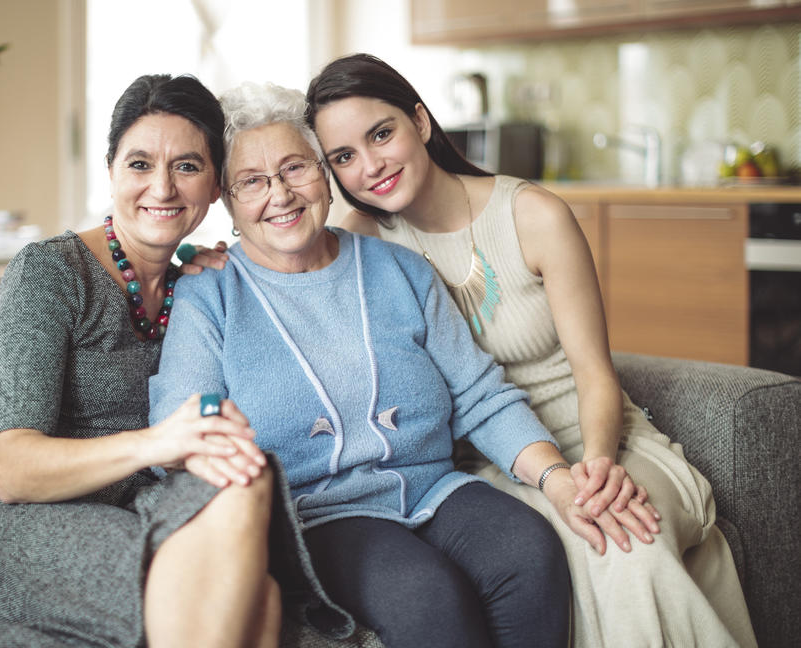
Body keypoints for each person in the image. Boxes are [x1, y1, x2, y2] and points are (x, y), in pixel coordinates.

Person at [305, 53, 757, 648]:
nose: (370, 167)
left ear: (421, 120)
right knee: (581, 548)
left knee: (622, 541)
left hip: (600, 439)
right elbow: (283, 267)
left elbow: (595, 372)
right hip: (483, 466)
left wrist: (598, 468)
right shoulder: (364, 242)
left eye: (381, 134)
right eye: (344, 157)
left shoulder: (533, 215)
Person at [0, 73, 345, 648]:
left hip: (129, 510)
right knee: (250, 600)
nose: (163, 187)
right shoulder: (50, 274)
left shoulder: (198, 286)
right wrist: (157, 442)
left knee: (248, 477)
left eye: (187, 166)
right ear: (110, 171)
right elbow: (12, 469)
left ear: (215, 189)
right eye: (139, 164)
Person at [148, 80, 581, 648]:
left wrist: (556, 476)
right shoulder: (211, 294)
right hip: (317, 517)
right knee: (427, 596)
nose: (279, 195)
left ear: (324, 173)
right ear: (228, 202)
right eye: (251, 182)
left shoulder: (399, 269)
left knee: (530, 547)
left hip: (433, 488)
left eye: (295, 168)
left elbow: (479, 395)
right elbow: (182, 434)